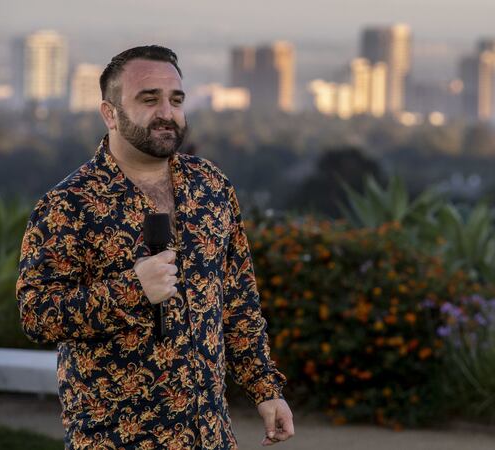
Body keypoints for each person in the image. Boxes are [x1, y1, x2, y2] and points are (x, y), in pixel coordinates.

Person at [16, 45, 294, 449]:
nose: (167, 112)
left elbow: (238, 300)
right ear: (109, 113)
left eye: (175, 99)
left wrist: (265, 389)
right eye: (149, 99)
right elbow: (36, 314)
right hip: (117, 438)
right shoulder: (69, 204)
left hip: (210, 435)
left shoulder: (210, 186)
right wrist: (133, 289)